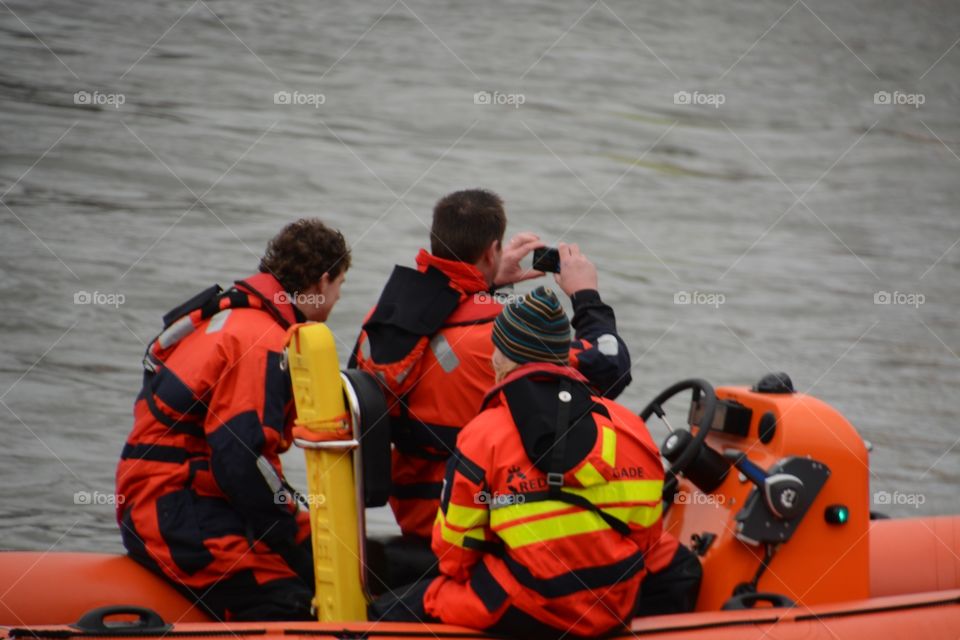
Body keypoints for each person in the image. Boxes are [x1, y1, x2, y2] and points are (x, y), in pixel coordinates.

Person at [369, 287, 701, 637]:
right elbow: (646, 539)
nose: (491, 357)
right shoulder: (630, 429)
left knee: (390, 611)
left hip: (528, 609)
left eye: (497, 348)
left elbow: (453, 555)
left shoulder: (483, 436)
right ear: (561, 356)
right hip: (613, 608)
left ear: (506, 357)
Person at [352, 188, 633, 541]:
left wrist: (490, 284)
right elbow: (610, 366)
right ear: (493, 251)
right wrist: (586, 296)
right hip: (487, 526)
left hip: (418, 517)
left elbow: (450, 324)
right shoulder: (503, 338)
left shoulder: (382, 323)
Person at [115, 219, 351, 621]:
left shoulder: (227, 316)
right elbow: (240, 460)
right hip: (177, 513)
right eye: (340, 286)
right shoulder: (258, 341)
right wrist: (291, 527)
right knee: (290, 605)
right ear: (322, 280)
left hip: (158, 501)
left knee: (304, 557)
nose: (338, 298)